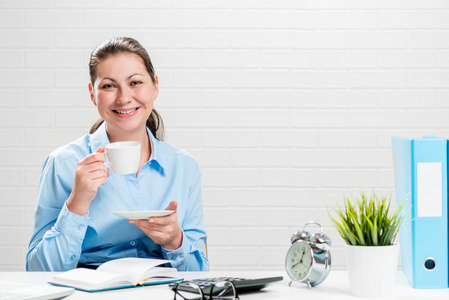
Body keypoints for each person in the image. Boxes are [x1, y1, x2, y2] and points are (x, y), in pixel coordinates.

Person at [26, 37, 209, 272]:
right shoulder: (63, 163)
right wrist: (76, 203)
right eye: (109, 86)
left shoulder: (184, 166)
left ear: (155, 86)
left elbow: (199, 275)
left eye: (135, 82)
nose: (123, 98)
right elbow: (39, 272)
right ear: (93, 94)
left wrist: (175, 241)